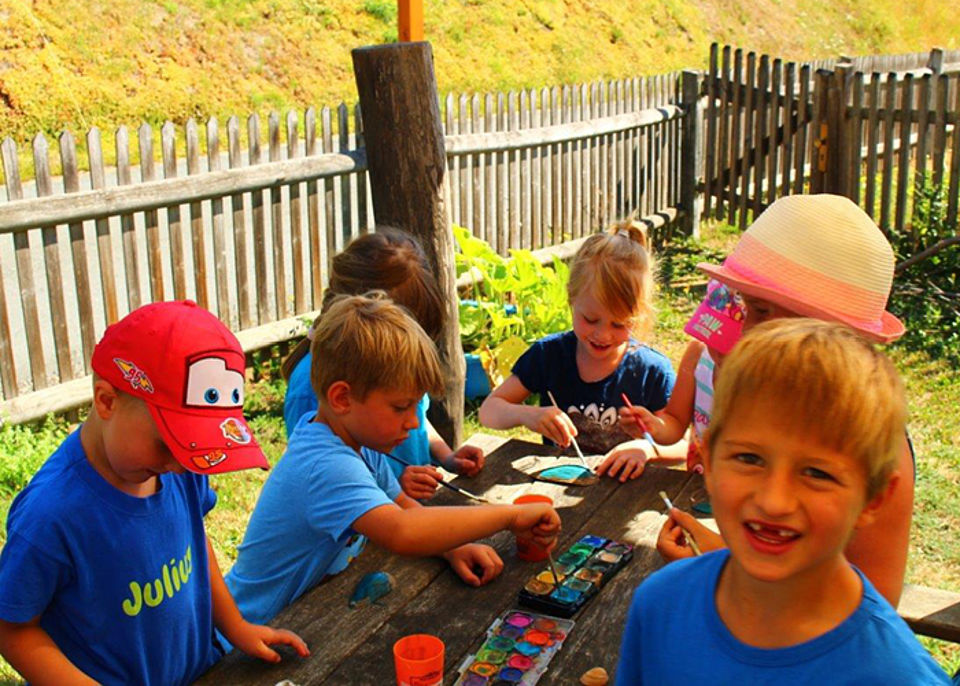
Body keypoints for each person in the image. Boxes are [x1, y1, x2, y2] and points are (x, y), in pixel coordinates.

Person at [615, 319, 950, 685]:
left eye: (818, 474)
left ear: (874, 499)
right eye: (749, 459)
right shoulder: (660, 605)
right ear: (709, 462)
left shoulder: (895, 676)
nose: (774, 501)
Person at [0, 301, 307, 686]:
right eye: (168, 445)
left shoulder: (180, 465)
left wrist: (235, 626)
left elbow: (195, 543)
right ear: (107, 401)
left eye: (192, 447)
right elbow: (13, 628)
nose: (181, 464)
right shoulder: (51, 515)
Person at [226, 293, 561, 626]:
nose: (414, 422)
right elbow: (402, 530)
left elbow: (400, 503)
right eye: (401, 407)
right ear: (342, 398)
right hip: (245, 633)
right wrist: (510, 516)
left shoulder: (359, 440)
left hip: (295, 616)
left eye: (416, 406)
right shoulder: (325, 464)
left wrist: (451, 547)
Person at [656, 193, 914, 606]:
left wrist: (722, 562)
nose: (743, 328)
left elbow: (875, 602)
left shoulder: (875, 442)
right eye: (748, 308)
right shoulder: (761, 398)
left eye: (759, 311)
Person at [282, 227, 484, 501]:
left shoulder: (393, 374)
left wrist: (447, 457)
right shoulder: (310, 387)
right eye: (401, 407)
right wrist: (394, 489)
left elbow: (419, 418)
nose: (409, 420)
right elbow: (319, 482)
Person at [478, 223, 676, 481]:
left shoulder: (651, 371)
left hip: (627, 495)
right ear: (572, 300)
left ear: (639, 317)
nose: (603, 335)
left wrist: (647, 447)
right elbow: (488, 411)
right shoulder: (548, 356)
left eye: (619, 324)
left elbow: (682, 445)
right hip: (557, 487)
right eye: (591, 319)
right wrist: (527, 415)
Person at [618, 278, 745, 473]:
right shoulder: (698, 355)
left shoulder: (767, 382)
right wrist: (655, 426)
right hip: (695, 485)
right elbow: (675, 421)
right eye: (714, 335)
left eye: (731, 342)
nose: (720, 350)